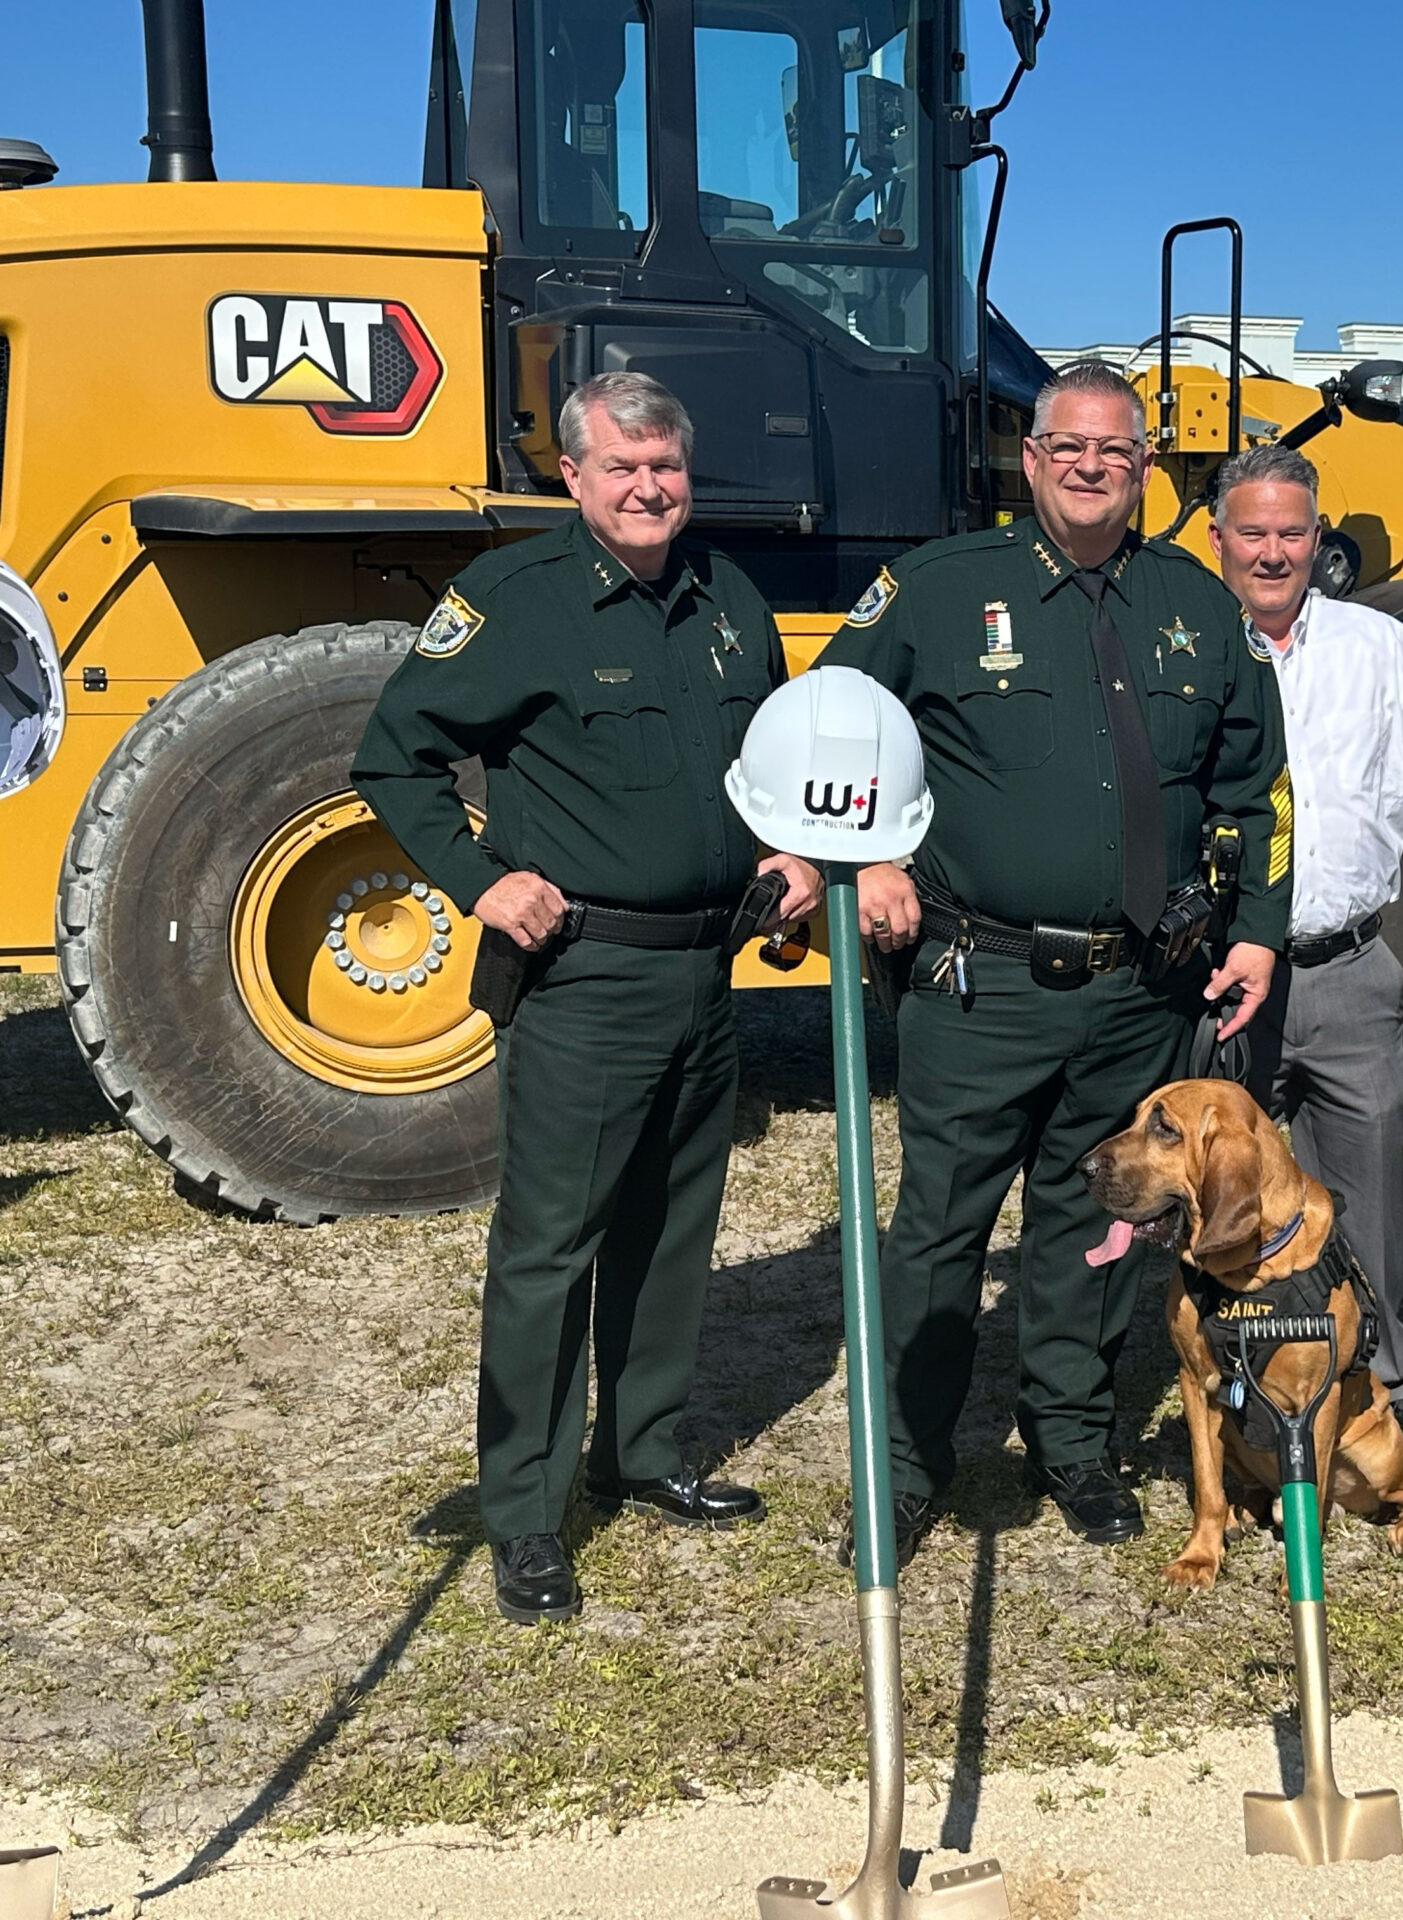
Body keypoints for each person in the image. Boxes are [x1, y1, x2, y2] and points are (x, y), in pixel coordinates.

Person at [352, 371, 821, 1624]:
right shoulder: (517, 602)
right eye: (621, 469)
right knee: (552, 1248)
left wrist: (793, 853)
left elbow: (766, 759)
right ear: (573, 477)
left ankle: (645, 1451)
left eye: (665, 466)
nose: (649, 488)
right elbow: (390, 756)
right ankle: (525, 1509)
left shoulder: (730, 597)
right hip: (586, 977)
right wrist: (477, 878)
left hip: (704, 968)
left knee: (671, 1232)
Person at [819, 360, 1291, 1558]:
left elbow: (1249, 788)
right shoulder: (937, 589)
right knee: (939, 1226)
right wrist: (866, 859)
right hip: (980, 983)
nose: (1092, 467)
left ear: (1145, 471)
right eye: (1068, 447)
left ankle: (1070, 1439)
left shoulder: (1190, 602)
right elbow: (834, 726)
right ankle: (908, 1462)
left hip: (1139, 990)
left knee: (1100, 1226)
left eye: (1117, 452)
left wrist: (1254, 931)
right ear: (1029, 460)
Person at [1204, 443, 1403, 1459]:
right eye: (1252, 532)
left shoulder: (1379, 649)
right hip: (1224, 971)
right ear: (1219, 536)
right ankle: (1242, 1382)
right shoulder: (1180, 647)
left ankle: (1381, 1377)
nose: (1272, 552)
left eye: (1291, 533)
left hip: (1351, 966)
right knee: (1228, 1195)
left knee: (1367, 1190)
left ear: (1320, 540)